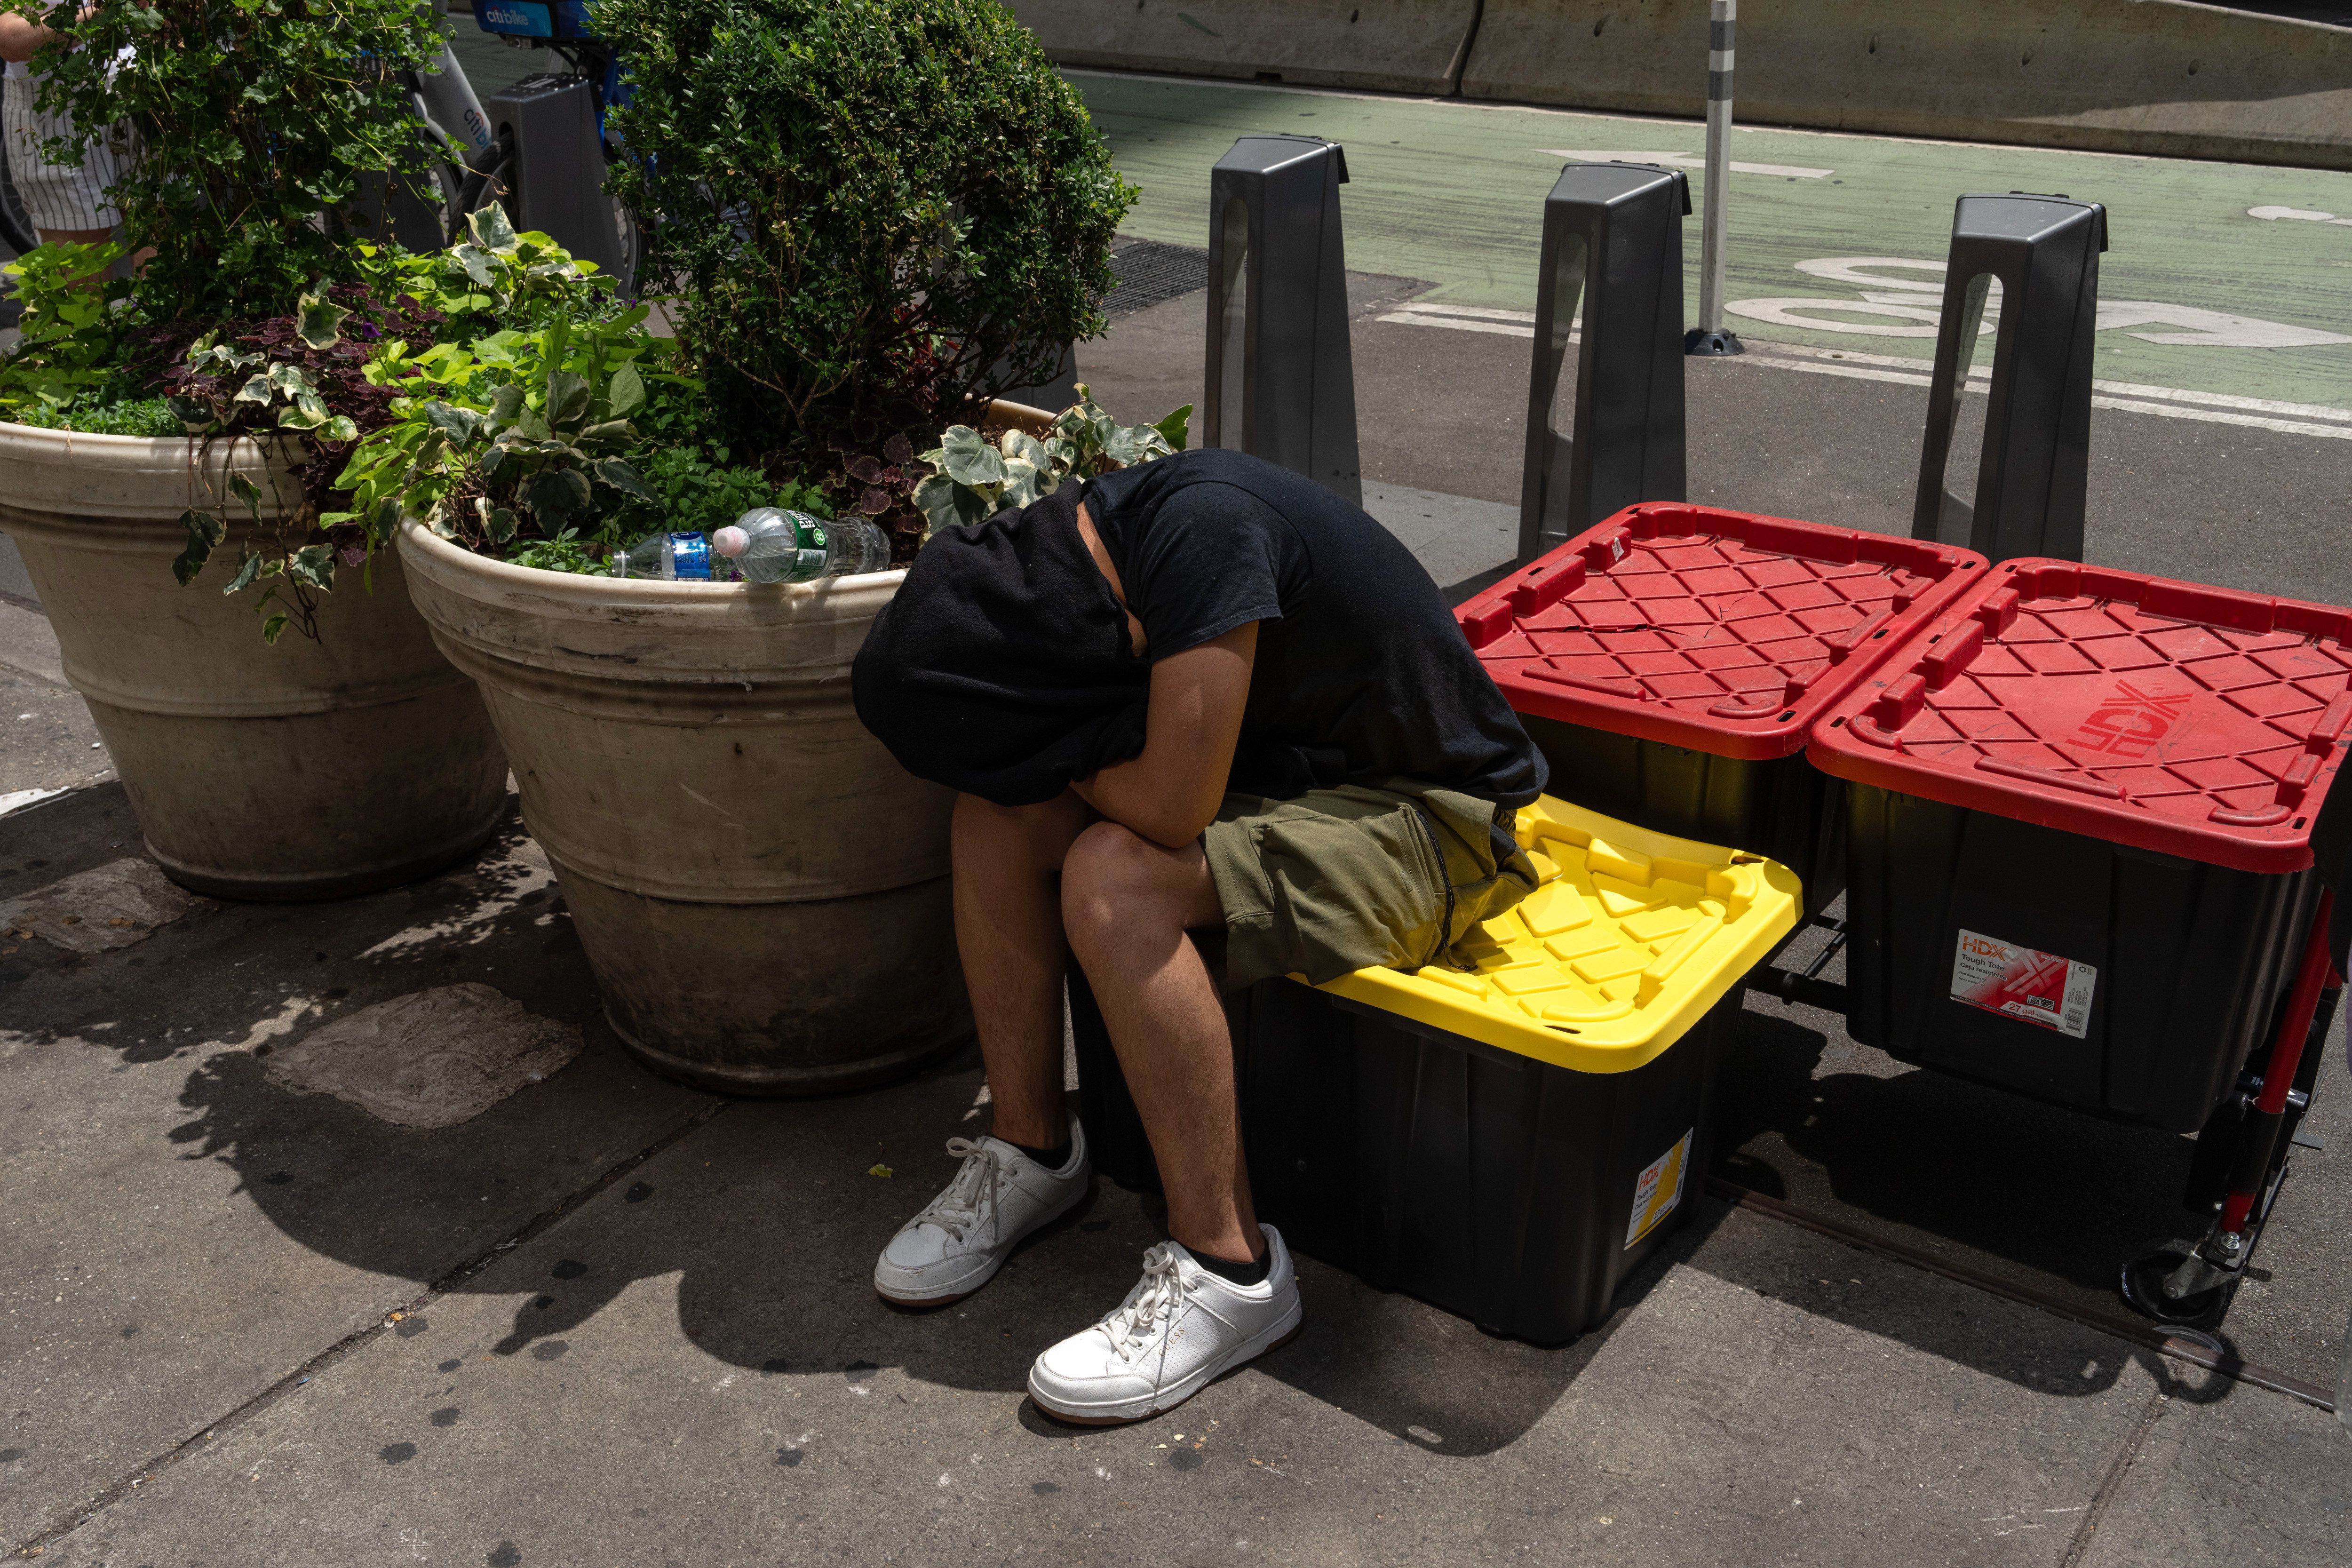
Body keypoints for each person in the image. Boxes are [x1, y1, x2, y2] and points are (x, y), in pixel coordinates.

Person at [852, 446, 1547, 1425]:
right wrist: (1031, 761)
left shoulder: (1203, 541)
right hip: (1302, 777)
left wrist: (1061, 750)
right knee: (995, 815)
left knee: (1114, 880)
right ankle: (1032, 1152)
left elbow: (1172, 809)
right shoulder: (1086, 552)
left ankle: (1232, 1272)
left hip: (1437, 820)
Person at [0, 5, 125, 250]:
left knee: (168, 259)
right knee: (84, 277)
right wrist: (107, 10)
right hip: (51, 97)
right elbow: (12, 40)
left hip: (144, 80)